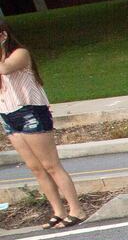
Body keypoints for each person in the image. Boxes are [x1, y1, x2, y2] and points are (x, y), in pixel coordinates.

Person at [0, 23, 86, 229]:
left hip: (30, 111)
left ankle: (77, 209)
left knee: (51, 165)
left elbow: (5, 68)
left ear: (3, 35)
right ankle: (58, 211)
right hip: (8, 114)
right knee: (36, 168)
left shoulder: (20, 53)